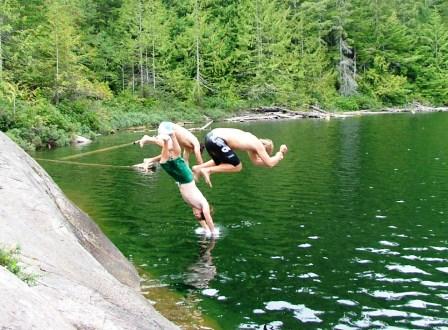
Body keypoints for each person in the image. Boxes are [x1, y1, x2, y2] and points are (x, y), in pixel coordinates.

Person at [157, 123, 217, 236]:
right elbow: (207, 219)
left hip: (180, 180)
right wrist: (213, 233)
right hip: (186, 178)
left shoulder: (193, 205)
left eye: (196, 216)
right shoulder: (203, 205)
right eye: (198, 215)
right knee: (176, 157)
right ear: (202, 213)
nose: (195, 215)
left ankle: (167, 140)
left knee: (163, 163)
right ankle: (172, 136)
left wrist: (206, 230)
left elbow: (202, 222)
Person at [192, 128, 288, 187]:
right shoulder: (258, 145)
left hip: (210, 136)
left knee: (221, 163)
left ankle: (198, 168)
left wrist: (278, 156)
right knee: (238, 166)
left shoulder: (251, 140)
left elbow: (256, 162)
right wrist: (279, 154)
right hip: (218, 139)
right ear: (264, 149)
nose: (260, 156)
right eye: (263, 154)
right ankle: (208, 171)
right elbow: (270, 163)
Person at [136, 122, 204, 172]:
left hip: (169, 131)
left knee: (172, 153)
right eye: (194, 152)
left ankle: (149, 160)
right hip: (167, 127)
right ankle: (148, 138)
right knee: (170, 148)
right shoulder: (196, 143)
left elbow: (185, 161)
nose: (191, 152)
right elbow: (199, 160)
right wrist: (203, 170)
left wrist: (189, 174)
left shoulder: (187, 148)